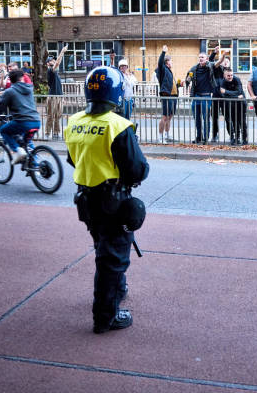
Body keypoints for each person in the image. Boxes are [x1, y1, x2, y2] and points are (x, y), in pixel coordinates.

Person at [65, 66, 149, 334]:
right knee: (112, 259)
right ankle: (106, 316)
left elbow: (73, 158)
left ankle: (117, 290)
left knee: (104, 247)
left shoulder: (74, 121)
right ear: (116, 94)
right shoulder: (118, 125)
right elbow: (137, 170)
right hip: (113, 201)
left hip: (87, 201)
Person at [0, 69, 41, 165]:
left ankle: (17, 150)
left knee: (3, 130)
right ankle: (36, 166)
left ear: (10, 80)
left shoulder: (10, 91)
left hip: (23, 122)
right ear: (22, 78)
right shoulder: (29, 88)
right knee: (26, 144)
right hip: (36, 121)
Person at [185, 51, 218, 144]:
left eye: (202, 57)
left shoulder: (209, 67)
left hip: (206, 96)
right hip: (196, 96)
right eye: (199, 57)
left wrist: (218, 54)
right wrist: (187, 80)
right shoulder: (194, 68)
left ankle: (206, 138)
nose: (200, 59)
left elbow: (214, 63)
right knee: (197, 118)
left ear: (206, 59)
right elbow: (188, 78)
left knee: (206, 118)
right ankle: (199, 137)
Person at [219, 67, 247, 145]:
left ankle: (245, 139)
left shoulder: (237, 79)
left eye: (231, 75)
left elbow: (240, 91)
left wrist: (227, 92)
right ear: (224, 75)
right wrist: (236, 96)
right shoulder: (223, 82)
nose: (230, 77)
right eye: (228, 75)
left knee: (242, 122)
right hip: (232, 105)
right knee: (234, 122)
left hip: (241, 104)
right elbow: (223, 95)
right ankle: (236, 138)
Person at [46, 45, 68, 140]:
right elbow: (58, 63)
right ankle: (47, 133)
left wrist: (63, 98)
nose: (54, 61)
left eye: (54, 60)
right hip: (53, 97)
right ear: (48, 63)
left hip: (58, 96)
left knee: (58, 116)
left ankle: (56, 132)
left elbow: (58, 86)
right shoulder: (50, 71)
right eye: (52, 60)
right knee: (51, 115)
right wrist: (62, 52)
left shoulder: (55, 73)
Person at [156, 45, 177, 143]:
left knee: (170, 116)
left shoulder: (169, 71)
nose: (172, 62)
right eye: (171, 61)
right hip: (167, 96)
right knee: (165, 117)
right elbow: (160, 63)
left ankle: (167, 135)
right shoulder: (163, 69)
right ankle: (160, 137)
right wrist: (163, 52)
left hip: (173, 96)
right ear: (167, 62)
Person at [209, 48, 230, 143]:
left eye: (227, 61)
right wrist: (214, 53)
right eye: (224, 61)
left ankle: (232, 135)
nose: (225, 63)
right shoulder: (218, 69)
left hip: (226, 99)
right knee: (214, 117)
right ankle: (214, 135)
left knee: (228, 117)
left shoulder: (230, 74)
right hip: (216, 97)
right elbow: (211, 62)